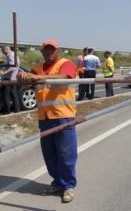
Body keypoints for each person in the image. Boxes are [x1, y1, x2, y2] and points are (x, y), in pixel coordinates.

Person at [17, 39, 78, 203]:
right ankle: (57, 182)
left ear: (58, 51)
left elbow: (64, 77)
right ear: (42, 52)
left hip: (63, 116)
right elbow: (28, 81)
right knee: (50, 154)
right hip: (44, 118)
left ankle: (68, 186)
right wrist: (22, 76)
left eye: (52, 49)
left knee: (66, 153)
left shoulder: (66, 64)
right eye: (46, 49)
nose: (49, 52)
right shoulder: (36, 69)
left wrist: (36, 77)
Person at [0, 46, 20, 114]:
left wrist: (4, 72)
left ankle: (7, 111)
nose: (2, 52)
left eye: (2, 50)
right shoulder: (13, 55)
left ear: (6, 50)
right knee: (14, 94)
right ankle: (17, 110)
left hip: (8, 79)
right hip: (12, 78)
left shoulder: (10, 55)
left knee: (5, 95)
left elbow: (13, 67)